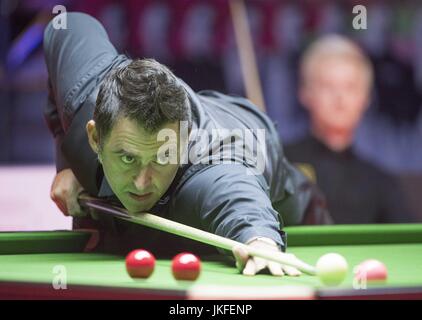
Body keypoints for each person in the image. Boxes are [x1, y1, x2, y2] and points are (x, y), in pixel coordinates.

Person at [44, 12, 329, 277]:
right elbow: (67, 25)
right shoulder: (85, 94)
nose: (142, 184)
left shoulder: (213, 168)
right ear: (95, 138)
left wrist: (260, 242)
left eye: (161, 158)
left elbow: (239, 200)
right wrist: (71, 163)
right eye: (128, 158)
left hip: (267, 168)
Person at [285, 35, 412, 224]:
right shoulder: (280, 164)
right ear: (305, 93)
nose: (340, 98)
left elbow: (409, 243)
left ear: (366, 98)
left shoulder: (380, 181)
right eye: (328, 86)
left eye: (350, 87)